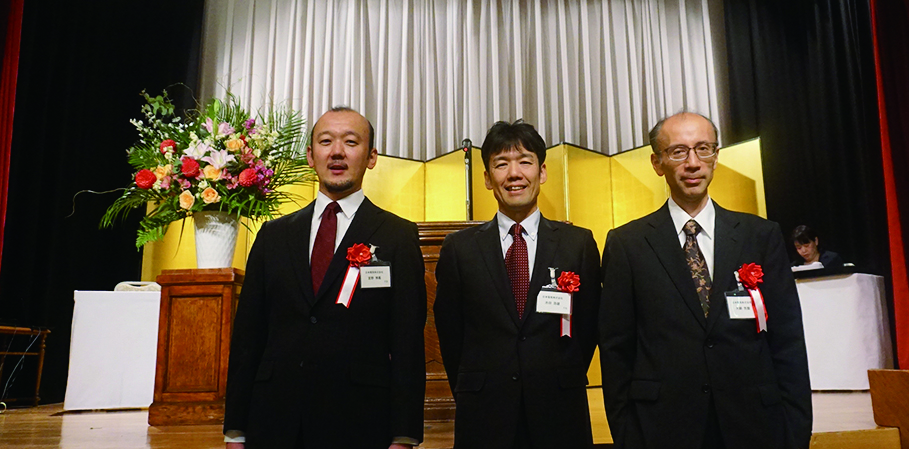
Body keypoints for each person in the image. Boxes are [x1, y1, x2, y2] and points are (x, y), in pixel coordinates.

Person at [599, 112, 811, 449]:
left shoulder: (761, 236)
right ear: (657, 162)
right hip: (662, 427)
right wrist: (627, 434)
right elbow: (616, 349)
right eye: (679, 152)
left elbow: (787, 341)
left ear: (716, 157)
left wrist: (796, 430)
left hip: (755, 424)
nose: (693, 163)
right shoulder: (627, 244)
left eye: (703, 149)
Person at [224, 107, 426, 449]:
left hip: (361, 421)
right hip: (274, 420)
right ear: (310, 155)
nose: (337, 152)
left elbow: (407, 343)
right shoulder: (273, 235)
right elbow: (247, 338)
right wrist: (235, 430)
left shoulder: (397, 236)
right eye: (325, 141)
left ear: (372, 157)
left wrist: (404, 435)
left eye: (351, 142)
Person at [434, 120, 601, 449]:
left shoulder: (577, 244)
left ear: (542, 172)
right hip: (485, 412)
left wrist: (556, 374)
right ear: (487, 178)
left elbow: (590, 325)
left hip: (559, 410)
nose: (514, 173)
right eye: (501, 164)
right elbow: (451, 332)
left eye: (525, 161)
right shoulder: (460, 249)